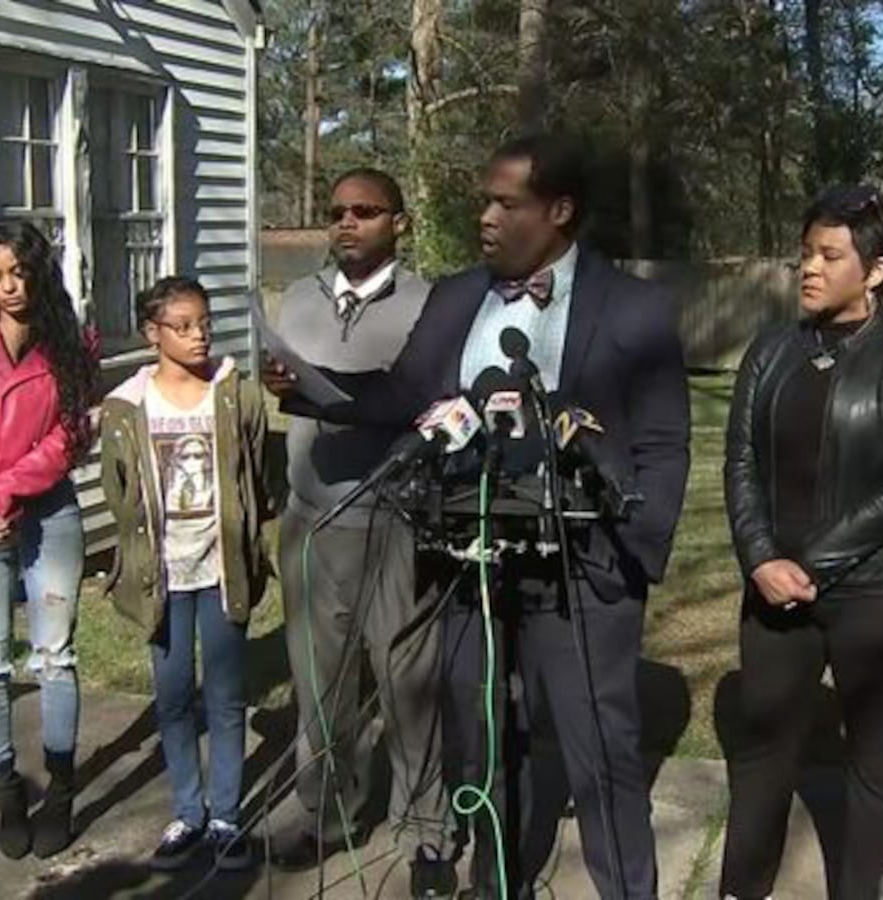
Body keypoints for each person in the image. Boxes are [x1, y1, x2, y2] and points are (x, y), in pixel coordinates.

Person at [264, 135, 690, 899]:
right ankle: (497, 884)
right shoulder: (459, 295)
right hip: (472, 566)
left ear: (559, 212)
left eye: (506, 203)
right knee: (485, 748)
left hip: (582, 573)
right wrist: (307, 387)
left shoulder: (633, 307)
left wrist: (631, 562)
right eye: (483, 202)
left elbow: (663, 446)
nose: (486, 218)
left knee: (600, 758)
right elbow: (402, 393)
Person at [718, 185, 883, 900]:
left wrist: (811, 566)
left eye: (830, 255)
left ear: (877, 270)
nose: (810, 269)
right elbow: (740, 463)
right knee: (762, 755)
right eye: (805, 255)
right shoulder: (771, 352)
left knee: (877, 764)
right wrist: (761, 558)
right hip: (775, 596)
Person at [264, 168, 457, 895]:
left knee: (409, 684)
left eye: (365, 212)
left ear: (398, 223)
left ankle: (426, 832)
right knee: (320, 686)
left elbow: (435, 403)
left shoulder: (429, 305)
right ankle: (327, 810)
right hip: (312, 518)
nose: (346, 224)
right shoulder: (298, 299)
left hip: (396, 519)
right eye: (336, 212)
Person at [100, 276, 273, 872]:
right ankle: (187, 813)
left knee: (225, 696)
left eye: (204, 323)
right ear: (153, 333)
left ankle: (225, 815)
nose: (198, 335)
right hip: (162, 575)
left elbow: (255, 471)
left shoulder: (235, 394)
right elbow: (116, 491)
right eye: (182, 326)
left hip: (220, 568)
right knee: (173, 697)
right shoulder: (127, 407)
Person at [0, 220, 97, 860]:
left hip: (49, 509)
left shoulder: (71, 340)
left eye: (20, 274)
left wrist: (19, 490)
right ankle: (6, 788)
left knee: (54, 655)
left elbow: (73, 430)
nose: (9, 288)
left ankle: (60, 790)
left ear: (39, 271)